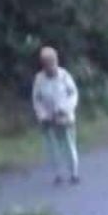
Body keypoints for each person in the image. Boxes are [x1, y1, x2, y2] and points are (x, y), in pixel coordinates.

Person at [32, 46, 80, 184]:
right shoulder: (39, 79)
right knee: (52, 148)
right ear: (43, 64)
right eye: (46, 63)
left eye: (52, 62)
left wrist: (65, 109)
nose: (50, 67)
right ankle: (57, 174)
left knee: (68, 145)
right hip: (48, 119)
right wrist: (42, 115)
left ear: (56, 61)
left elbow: (74, 95)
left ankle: (74, 173)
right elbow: (37, 99)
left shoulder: (64, 76)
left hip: (65, 117)